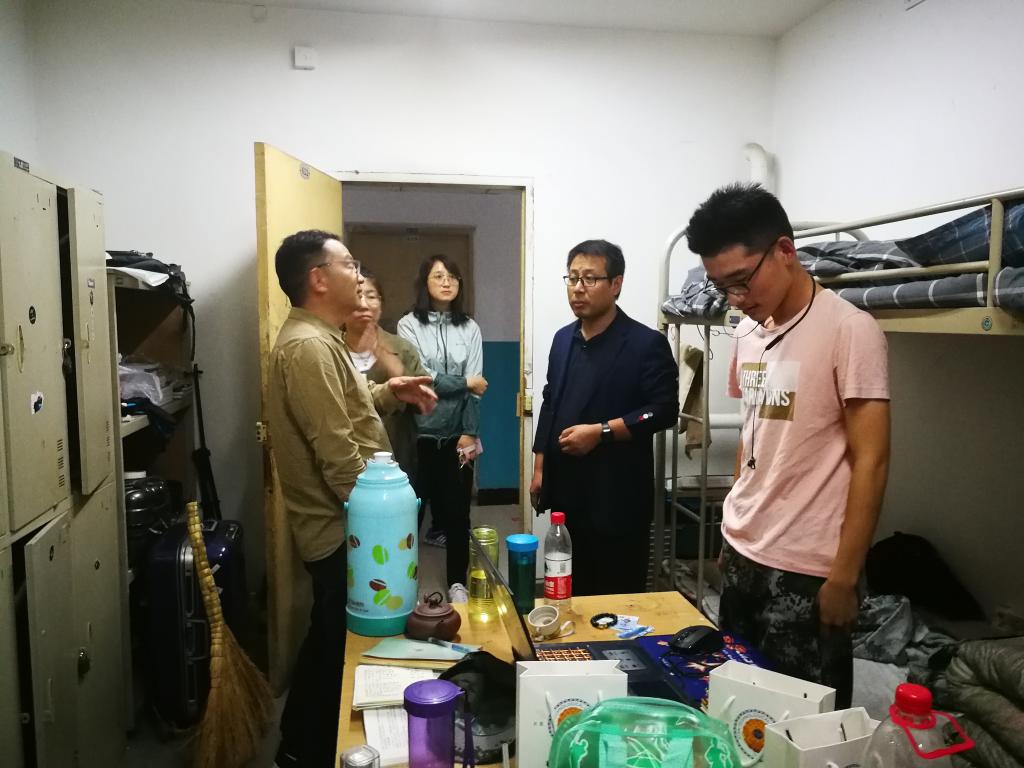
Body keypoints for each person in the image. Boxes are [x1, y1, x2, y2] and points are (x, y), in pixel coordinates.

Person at [684, 183, 890, 709]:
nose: (736, 298)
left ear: (784, 250)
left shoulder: (850, 329)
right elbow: (753, 434)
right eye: (721, 287)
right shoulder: (746, 331)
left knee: (806, 718)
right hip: (743, 548)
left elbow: (872, 459)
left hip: (808, 567)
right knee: (738, 703)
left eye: (742, 281)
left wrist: (844, 576)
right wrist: (733, 524)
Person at [268, 230, 436, 768]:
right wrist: (383, 530)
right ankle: (306, 747)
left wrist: (390, 391)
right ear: (319, 279)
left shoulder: (321, 339)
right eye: (349, 265)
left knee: (329, 638)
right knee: (336, 645)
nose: (358, 275)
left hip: (350, 526)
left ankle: (300, 743)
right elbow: (337, 452)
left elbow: (349, 405)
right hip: (344, 530)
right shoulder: (308, 347)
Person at [531, 239, 678, 596]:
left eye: (590, 278)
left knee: (617, 601)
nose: (578, 288)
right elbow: (550, 403)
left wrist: (602, 432)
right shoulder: (562, 340)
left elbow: (663, 410)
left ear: (616, 284)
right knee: (567, 590)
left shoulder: (645, 343)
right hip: (567, 493)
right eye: (572, 278)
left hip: (617, 497)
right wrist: (540, 467)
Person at [397, 255, 487, 603]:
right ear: (425, 283)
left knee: (458, 513)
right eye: (438, 276)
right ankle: (401, 583)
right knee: (411, 512)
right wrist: (464, 382)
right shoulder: (408, 325)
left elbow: (478, 389)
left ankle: (457, 583)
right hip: (418, 436)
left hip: (458, 436)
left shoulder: (471, 328)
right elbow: (422, 377)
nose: (447, 282)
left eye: (452, 276)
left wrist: (469, 431)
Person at [344, 268, 430, 484]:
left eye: (371, 296)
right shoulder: (330, 348)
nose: (364, 304)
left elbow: (425, 401)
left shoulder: (402, 348)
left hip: (396, 454)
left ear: (381, 303)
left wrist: (391, 366)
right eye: (356, 295)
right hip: (346, 459)